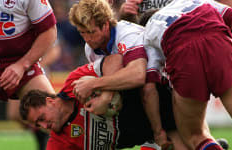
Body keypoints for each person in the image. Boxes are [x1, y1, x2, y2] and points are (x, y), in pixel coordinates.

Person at [20, 54, 229, 150]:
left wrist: (106, 94)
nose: (44, 127)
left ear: (50, 101)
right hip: (149, 136)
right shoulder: (59, 142)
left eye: (41, 119)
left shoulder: (75, 83)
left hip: (157, 99)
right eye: (38, 126)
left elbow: (114, 60)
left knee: (195, 139)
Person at [142, 0, 232, 149]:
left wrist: (158, 131)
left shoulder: (147, 33)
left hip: (183, 57)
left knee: (195, 136)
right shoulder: (193, 1)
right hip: (219, 44)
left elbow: (149, 88)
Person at [68, 0, 171, 148]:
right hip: (144, 98)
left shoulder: (126, 35)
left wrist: (95, 85)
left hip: (166, 84)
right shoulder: (90, 48)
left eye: (91, 32)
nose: (87, 38)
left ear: (105, 25)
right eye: (82, 32)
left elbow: (137, 75)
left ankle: (157, 133)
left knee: (147, 88)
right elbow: (113, 76)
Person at [0, 0, 57, 149]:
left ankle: (43, 140)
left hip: (23, 67)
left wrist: (22, 65)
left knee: (58, 115)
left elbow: (50, 31)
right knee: (15, 115)